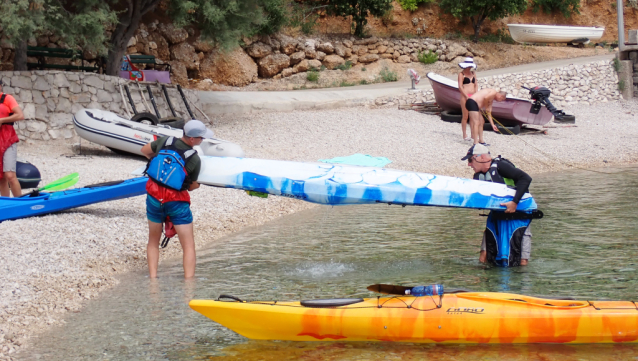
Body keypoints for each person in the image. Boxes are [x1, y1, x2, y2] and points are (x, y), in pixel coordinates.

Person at [140, 120, 213, 279]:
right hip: (176, 202)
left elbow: (144, 150)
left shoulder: (165, 141)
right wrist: (197, 184)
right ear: (192, 139)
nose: (202, 141)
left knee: (153, 241)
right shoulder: (193, 158)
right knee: (188, 246)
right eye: (201, 138)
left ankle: (153, 280)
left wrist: (155, 164)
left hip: (154, 197)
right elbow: (191, 186)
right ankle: (189, 286)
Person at [462, 144, 533, 266]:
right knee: (484, 255)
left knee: (521, 260)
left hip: (518, 216)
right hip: (497, 216)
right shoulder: (477, 177)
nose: (469, 164)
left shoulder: (501, 166)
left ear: (482, 157)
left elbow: (525, 179)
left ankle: (521, 281)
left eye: (470, 160)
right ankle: (484, 280)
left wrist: (514, 202)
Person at [0, 80, 25, 197]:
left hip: (8, 138)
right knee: (1, 177)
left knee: (10, 175)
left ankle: (20, 202)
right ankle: (6, 205)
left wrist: (2, 120)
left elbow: (20, 115)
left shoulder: (7, 98)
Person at [457, 57, 478, 142]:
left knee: (473, 116)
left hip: (473, 95)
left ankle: (473, 133)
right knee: (465, 116)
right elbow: (460, 86)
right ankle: (464, 134)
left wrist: (476, 94)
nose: (469, 68)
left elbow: (475, 84)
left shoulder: (473, 73)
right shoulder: (461, 74)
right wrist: (466, 96)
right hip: (465, 96)